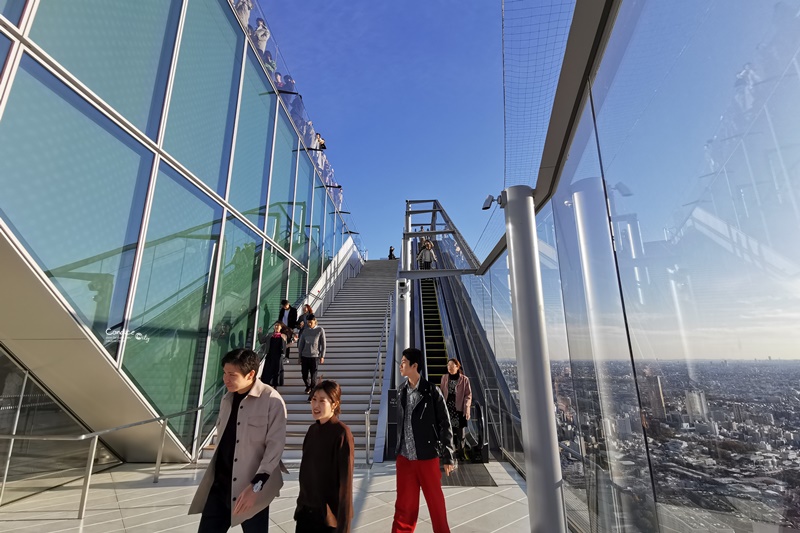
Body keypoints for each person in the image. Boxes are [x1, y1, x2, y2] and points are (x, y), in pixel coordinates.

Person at [189, 349, 287, 532]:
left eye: (232, 375)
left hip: (251, 489)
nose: (226, 379)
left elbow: (275, 448)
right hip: (220, 486)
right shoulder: (227, 399)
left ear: (251, 374)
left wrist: (255, 488)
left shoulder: (272, 400)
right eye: (224, 373)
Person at [392, 348, 455, 533]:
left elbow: (445, 422)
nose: (401, 365)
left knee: (436, 505)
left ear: (414, 365)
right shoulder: (400, 391)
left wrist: (448, 454)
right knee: (403, 508)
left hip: (427, 457)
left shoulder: (431, 391)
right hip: (404, 459)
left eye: (404, 361)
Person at [294, 380, 354, 532]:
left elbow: (346, 485)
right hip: (305, 514)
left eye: (322, 401)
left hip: (327, 519)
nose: (316, 405)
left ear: (334, 404)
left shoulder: (342, 433)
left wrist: (344, 527)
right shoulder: (312, 430)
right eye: (314, 399)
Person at [439, 358, 472, 460]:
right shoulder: (444, 378)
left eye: (452, 366)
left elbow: (468, 395)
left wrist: (467, 408)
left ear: (457, 367)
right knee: (448, 433)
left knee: (460, 434)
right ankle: (450, 454)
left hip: (459, 410)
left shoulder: (464, 379)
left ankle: (461, 453)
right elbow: (441, 392)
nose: (449, 368)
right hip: (447, 409)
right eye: (448, 366)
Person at [297, 314, 326, 398]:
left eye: (310, 322)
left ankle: (312, 392)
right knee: (304, 375)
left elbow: (323, 344)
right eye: (308, 322)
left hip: (315, 356)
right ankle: (308, 386)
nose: (309, 324)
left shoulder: (320, 330)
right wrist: (299, 356)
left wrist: (322, 356)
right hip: (305, 356)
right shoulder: (305, 331)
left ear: (314, 321)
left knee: (313, 375)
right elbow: (301, 344)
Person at [258, 322, 287, 388]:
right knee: (268, 370)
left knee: (277, 370)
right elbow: (261, 341)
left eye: (278, 326)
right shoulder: (270, 335)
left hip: (278, 356)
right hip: (270, 355)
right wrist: (260, 333)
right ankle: (268, 384)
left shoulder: (283, 336)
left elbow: (284, 347)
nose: (276, 327)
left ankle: (276, 385)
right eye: (275, 326)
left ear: (281, 328)